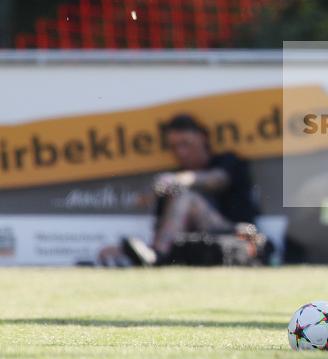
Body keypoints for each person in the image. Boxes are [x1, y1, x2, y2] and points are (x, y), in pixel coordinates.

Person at [101, 113, 260, 266]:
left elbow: (217, 179)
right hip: (195, 247)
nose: (180, 152)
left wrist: (180, 180)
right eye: (174, 146)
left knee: (184, 196)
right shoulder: (171, 186)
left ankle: (157, 257)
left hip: (237, 234)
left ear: (202, 137)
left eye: (186, 143)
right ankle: (154, 256)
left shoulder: (228, 161)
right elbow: (166, 231)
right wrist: (124, 251)